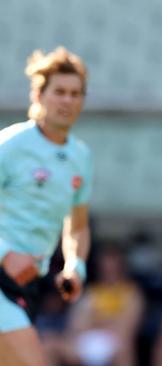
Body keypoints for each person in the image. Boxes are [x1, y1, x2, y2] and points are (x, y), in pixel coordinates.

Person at [0, 46, 93, 365]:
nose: (67, 100)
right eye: (59, 92)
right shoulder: (10, 145)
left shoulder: (81, 157)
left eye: (75, 93)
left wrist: (74, 267)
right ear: (38, 95)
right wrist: (5, 253)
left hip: (27, 287)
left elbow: (78, 225)